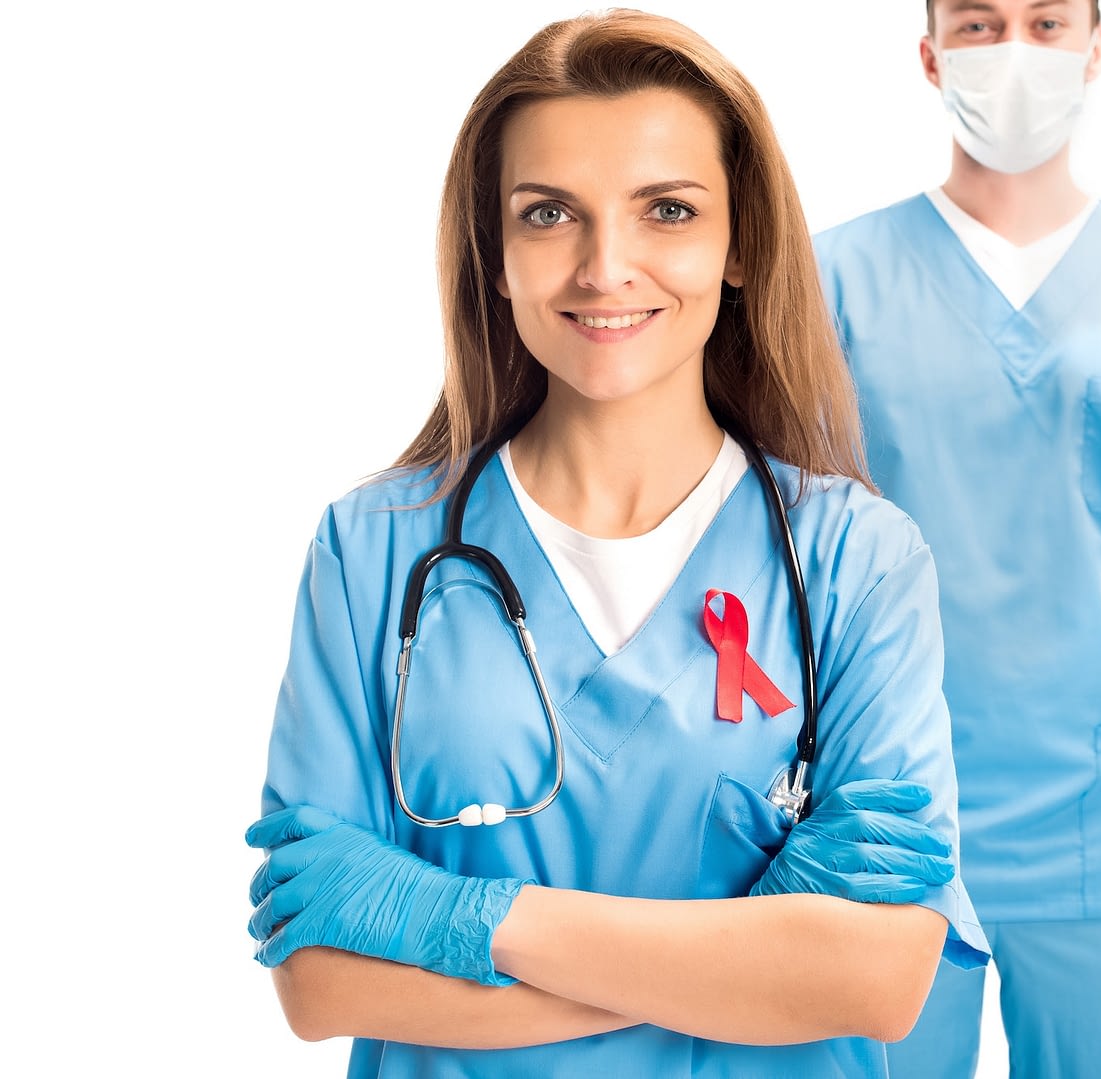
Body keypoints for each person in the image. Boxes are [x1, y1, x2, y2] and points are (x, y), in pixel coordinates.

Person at [243, 10, 988, 1076]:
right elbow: (321, 979)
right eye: (549, 214)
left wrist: (443, 913)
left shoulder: (857, 558)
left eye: (667, 210)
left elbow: (876, 978)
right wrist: (742, 966)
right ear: (493, 256)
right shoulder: (372, 550)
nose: (605, 265)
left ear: (739, 248)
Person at [813, 1, 1101, 1076]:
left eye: (1045, 21)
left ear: (1096, 46)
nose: (1014, 52)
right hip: (889, 822)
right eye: (979, 25)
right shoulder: (831, 276)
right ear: (931, 56)